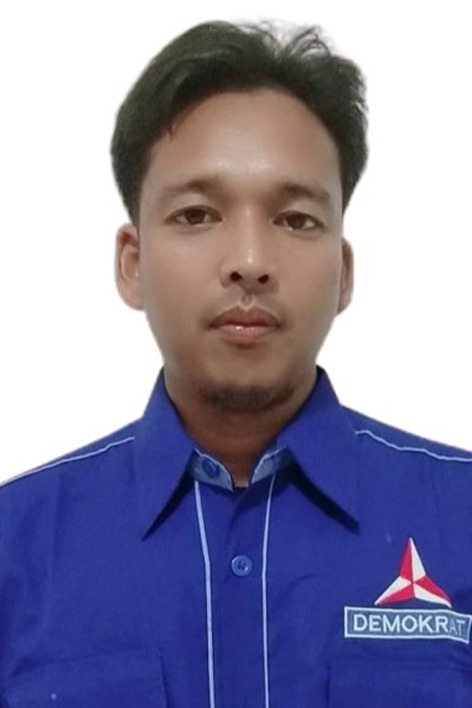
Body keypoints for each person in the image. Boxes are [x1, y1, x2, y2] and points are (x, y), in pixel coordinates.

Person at [1, 19, 472, 708]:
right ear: (132, 263)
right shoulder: (15, 546)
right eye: (197, 215)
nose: (249, 261)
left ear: (343, 273)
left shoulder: (459, 514)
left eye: (296, 219)